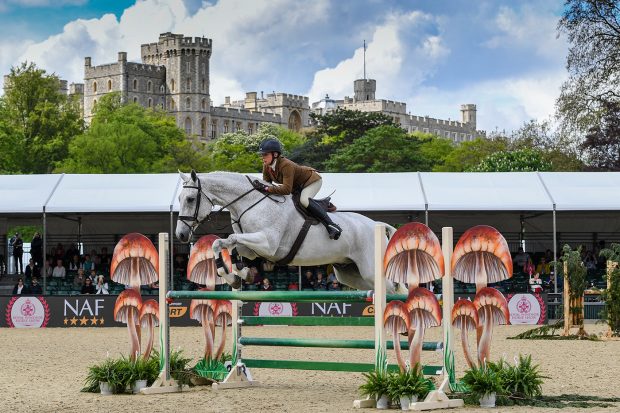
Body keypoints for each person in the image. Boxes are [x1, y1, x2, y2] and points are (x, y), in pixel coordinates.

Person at [254, 137, 342, 240]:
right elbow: (267, 184)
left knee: (303, 200)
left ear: (275, 154)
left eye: (265, 154)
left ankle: (331, 225)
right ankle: (322, 204)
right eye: (262, 155)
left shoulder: (286, 165)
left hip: (311, 180)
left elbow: (286, 190)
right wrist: (261, 188)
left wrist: (266, 188)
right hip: (297, 185)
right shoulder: (266, 166)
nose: (262, 157)